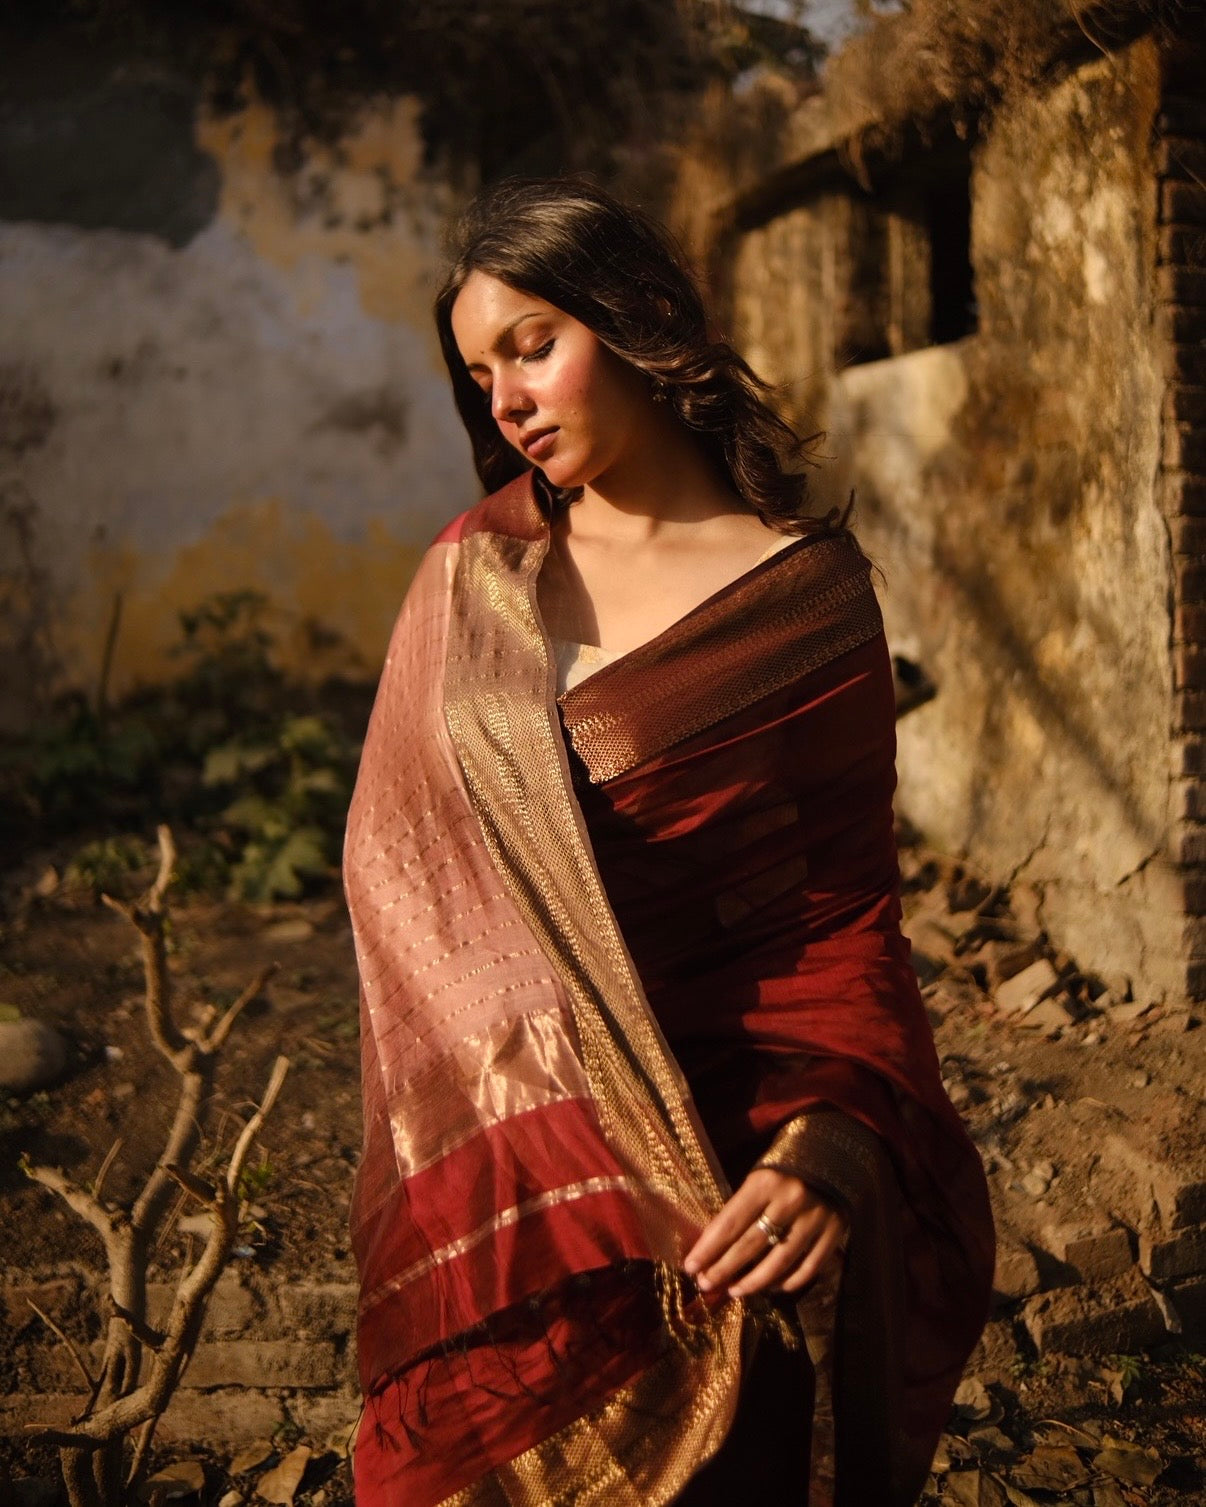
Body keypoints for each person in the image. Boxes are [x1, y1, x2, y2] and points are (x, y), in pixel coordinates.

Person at [344, 178, 995, 1507]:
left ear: (636, 320)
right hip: (527, 1179)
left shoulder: (803, 601)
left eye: (531, 346)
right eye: (479, 374)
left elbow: (841, 919)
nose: (504, 400)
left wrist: (835, 1140)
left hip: (729, 1164)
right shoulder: (469, 583)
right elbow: (400, 891)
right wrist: (571, 1140)